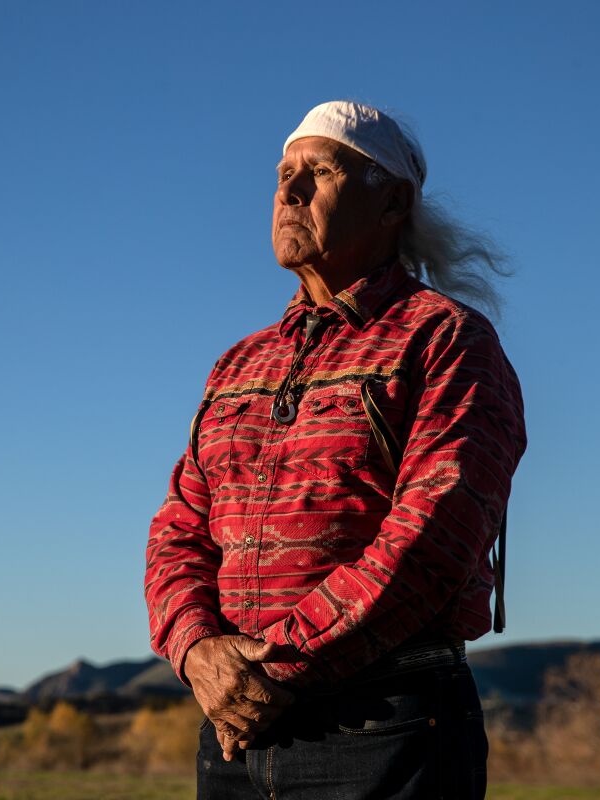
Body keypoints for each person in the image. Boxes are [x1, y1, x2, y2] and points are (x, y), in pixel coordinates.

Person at [144, 100, 527, 799]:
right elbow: (178, 531)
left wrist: (270, 672)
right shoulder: (239, 365)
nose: (287, 192)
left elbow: (432, 537)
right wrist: (197, 650)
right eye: (282, 174)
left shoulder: (445, 342)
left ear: (392, 205)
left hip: (384, 726)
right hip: (235, 733)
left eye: (317, 172)